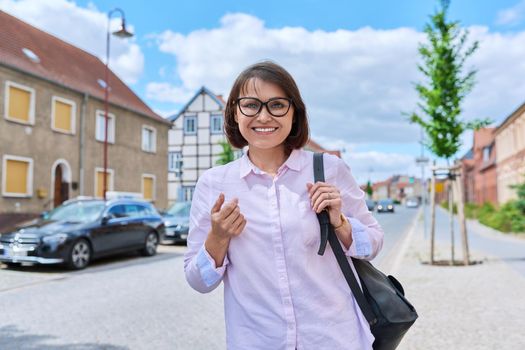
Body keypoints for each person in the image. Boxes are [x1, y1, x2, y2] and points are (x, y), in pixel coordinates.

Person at [184, 61, 384, 350]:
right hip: (256, 341)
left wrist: (340, 223)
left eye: (277, 105)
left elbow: (374, 244)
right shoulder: (214, 184)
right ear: (234, 113)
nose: (264, 116)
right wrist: (218, 238)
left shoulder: (329, 169)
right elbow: (198, 281)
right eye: (251, 105)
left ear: (294, 113)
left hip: (333, 338)